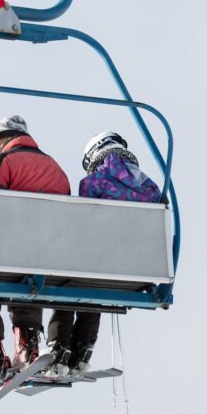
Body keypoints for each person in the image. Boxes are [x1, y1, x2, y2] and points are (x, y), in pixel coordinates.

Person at [0, 116, 71, 398]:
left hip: (6, 251)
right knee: (28, 283)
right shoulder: (55, 168)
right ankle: (28, 344)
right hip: (45, 257)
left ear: (3, 137)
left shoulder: (2, 164)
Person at [46, 131, 163, 375]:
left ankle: (60, 347)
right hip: (140, 263)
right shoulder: (149, 183)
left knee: (68, 287)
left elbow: (86, 222)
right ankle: (84, 349)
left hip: (101, 256)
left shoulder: (94, 182)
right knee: (95, 292)